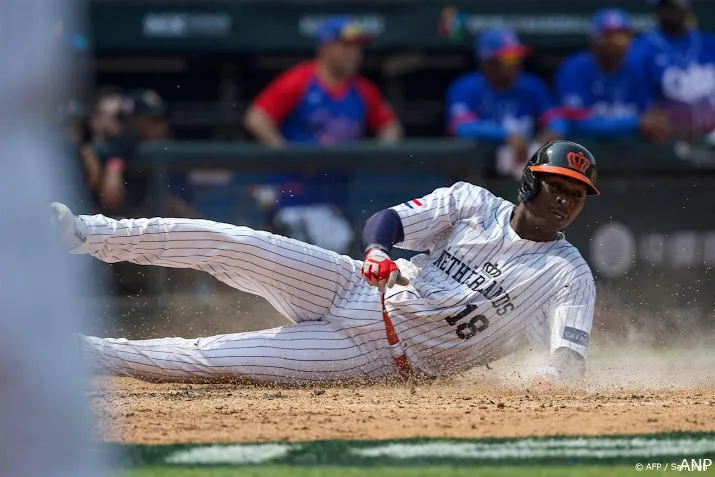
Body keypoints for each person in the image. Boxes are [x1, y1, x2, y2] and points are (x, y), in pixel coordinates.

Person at [51, 140, 598, 387]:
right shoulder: (473, 203)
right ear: (530, 181)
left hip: (377, 357)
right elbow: (386, 222)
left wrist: (550, 376)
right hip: (354, 287)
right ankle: (84, 231)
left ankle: (74, 353)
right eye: (558, 187)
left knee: (209, 358)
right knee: (235, 242)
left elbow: (568, 356)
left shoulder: (567, 275)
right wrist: (379, 252)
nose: (565, 201)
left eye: (576, 196)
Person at [244, 15, 403, 254]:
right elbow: (257, 117)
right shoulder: (301, 80)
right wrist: (285, 152)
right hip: (293, 193)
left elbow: (391, 127)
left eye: (357, 47)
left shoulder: (361, 89)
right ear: (326, 48)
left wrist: (379, 151)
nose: (354, 54)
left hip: (336, 197)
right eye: (346, 46)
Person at [446, 27, 568, 180]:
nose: (515, 64)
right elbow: (462, 128)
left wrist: (553, 131)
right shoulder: (466, 87)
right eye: (508, 59)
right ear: (487, 62)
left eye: (517, 57)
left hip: (524, 167)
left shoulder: (531, 86)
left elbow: (556, 118)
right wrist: (506, 135)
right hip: (477, 173)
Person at [555, 8, 670, 142]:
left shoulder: (636, 68)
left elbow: (648, 112)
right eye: (608, 36)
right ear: (594, 40)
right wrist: (635, 123)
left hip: (630, 152)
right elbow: (576, 122)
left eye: (622, 36)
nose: (615, 42)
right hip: (584, 152)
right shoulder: (575, 68)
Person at [630, 0, 715, 143]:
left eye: (677, 5)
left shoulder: (709, 43)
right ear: (657, 9)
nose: (672, 11)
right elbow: (640, 105)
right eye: (666, 6)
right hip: (668, 137)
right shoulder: (641, 49)